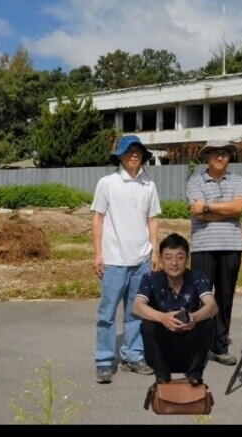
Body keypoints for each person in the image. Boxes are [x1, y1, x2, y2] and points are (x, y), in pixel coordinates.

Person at [92, 134, 161, 384]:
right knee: (107, 313)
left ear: (143, 156)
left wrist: (154, 251)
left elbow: (152, 220)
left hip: (141, 259)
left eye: (138, 152)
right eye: (129, 151)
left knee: (137, 312)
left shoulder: (149, 185)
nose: (134, 155)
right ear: (120, 156)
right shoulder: (107, 183)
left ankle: (133, 355)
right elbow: (98, 218)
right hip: (113, 259)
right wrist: (98, 253)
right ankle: (104, 360)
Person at [186, 140, 242, 366]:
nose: (220, 157)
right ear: (207, 158)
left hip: (232, 246)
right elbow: (197, 213)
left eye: (224, 154)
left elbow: (238, 208)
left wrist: (208, 207)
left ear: (229, 158)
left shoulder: (238, 180)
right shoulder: (195, 181)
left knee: (225, 297)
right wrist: (227, 211)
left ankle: (219, 346)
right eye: (215, 154)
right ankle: (198, 346)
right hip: (203, 247)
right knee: (201, 298)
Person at [133, 233, 218, 385]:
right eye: (168, 257)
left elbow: (212, 306)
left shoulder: (197, 277)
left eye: (180, 257)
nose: (174, 263)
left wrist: (194, 318)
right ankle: (162, 375)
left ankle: (194, 375)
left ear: (187, 259)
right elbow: (137, 306)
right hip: (162, 347)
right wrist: (163, 318)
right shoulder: (150, 279)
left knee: (207, 323)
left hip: (188, 345)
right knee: (147, 324)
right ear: (160, 259)